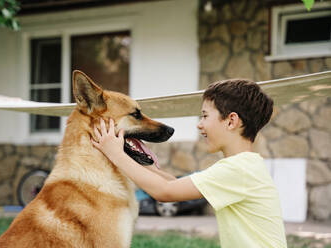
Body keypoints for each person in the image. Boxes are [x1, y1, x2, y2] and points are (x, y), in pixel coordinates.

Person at [91, 79, 287, 248]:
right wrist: (140, 159)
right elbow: (173, 184)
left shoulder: (239, 169)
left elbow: (165, 191)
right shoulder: (243, 165)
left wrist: (115, 154)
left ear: (231, 121)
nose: (199, 124)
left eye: (205, 115)